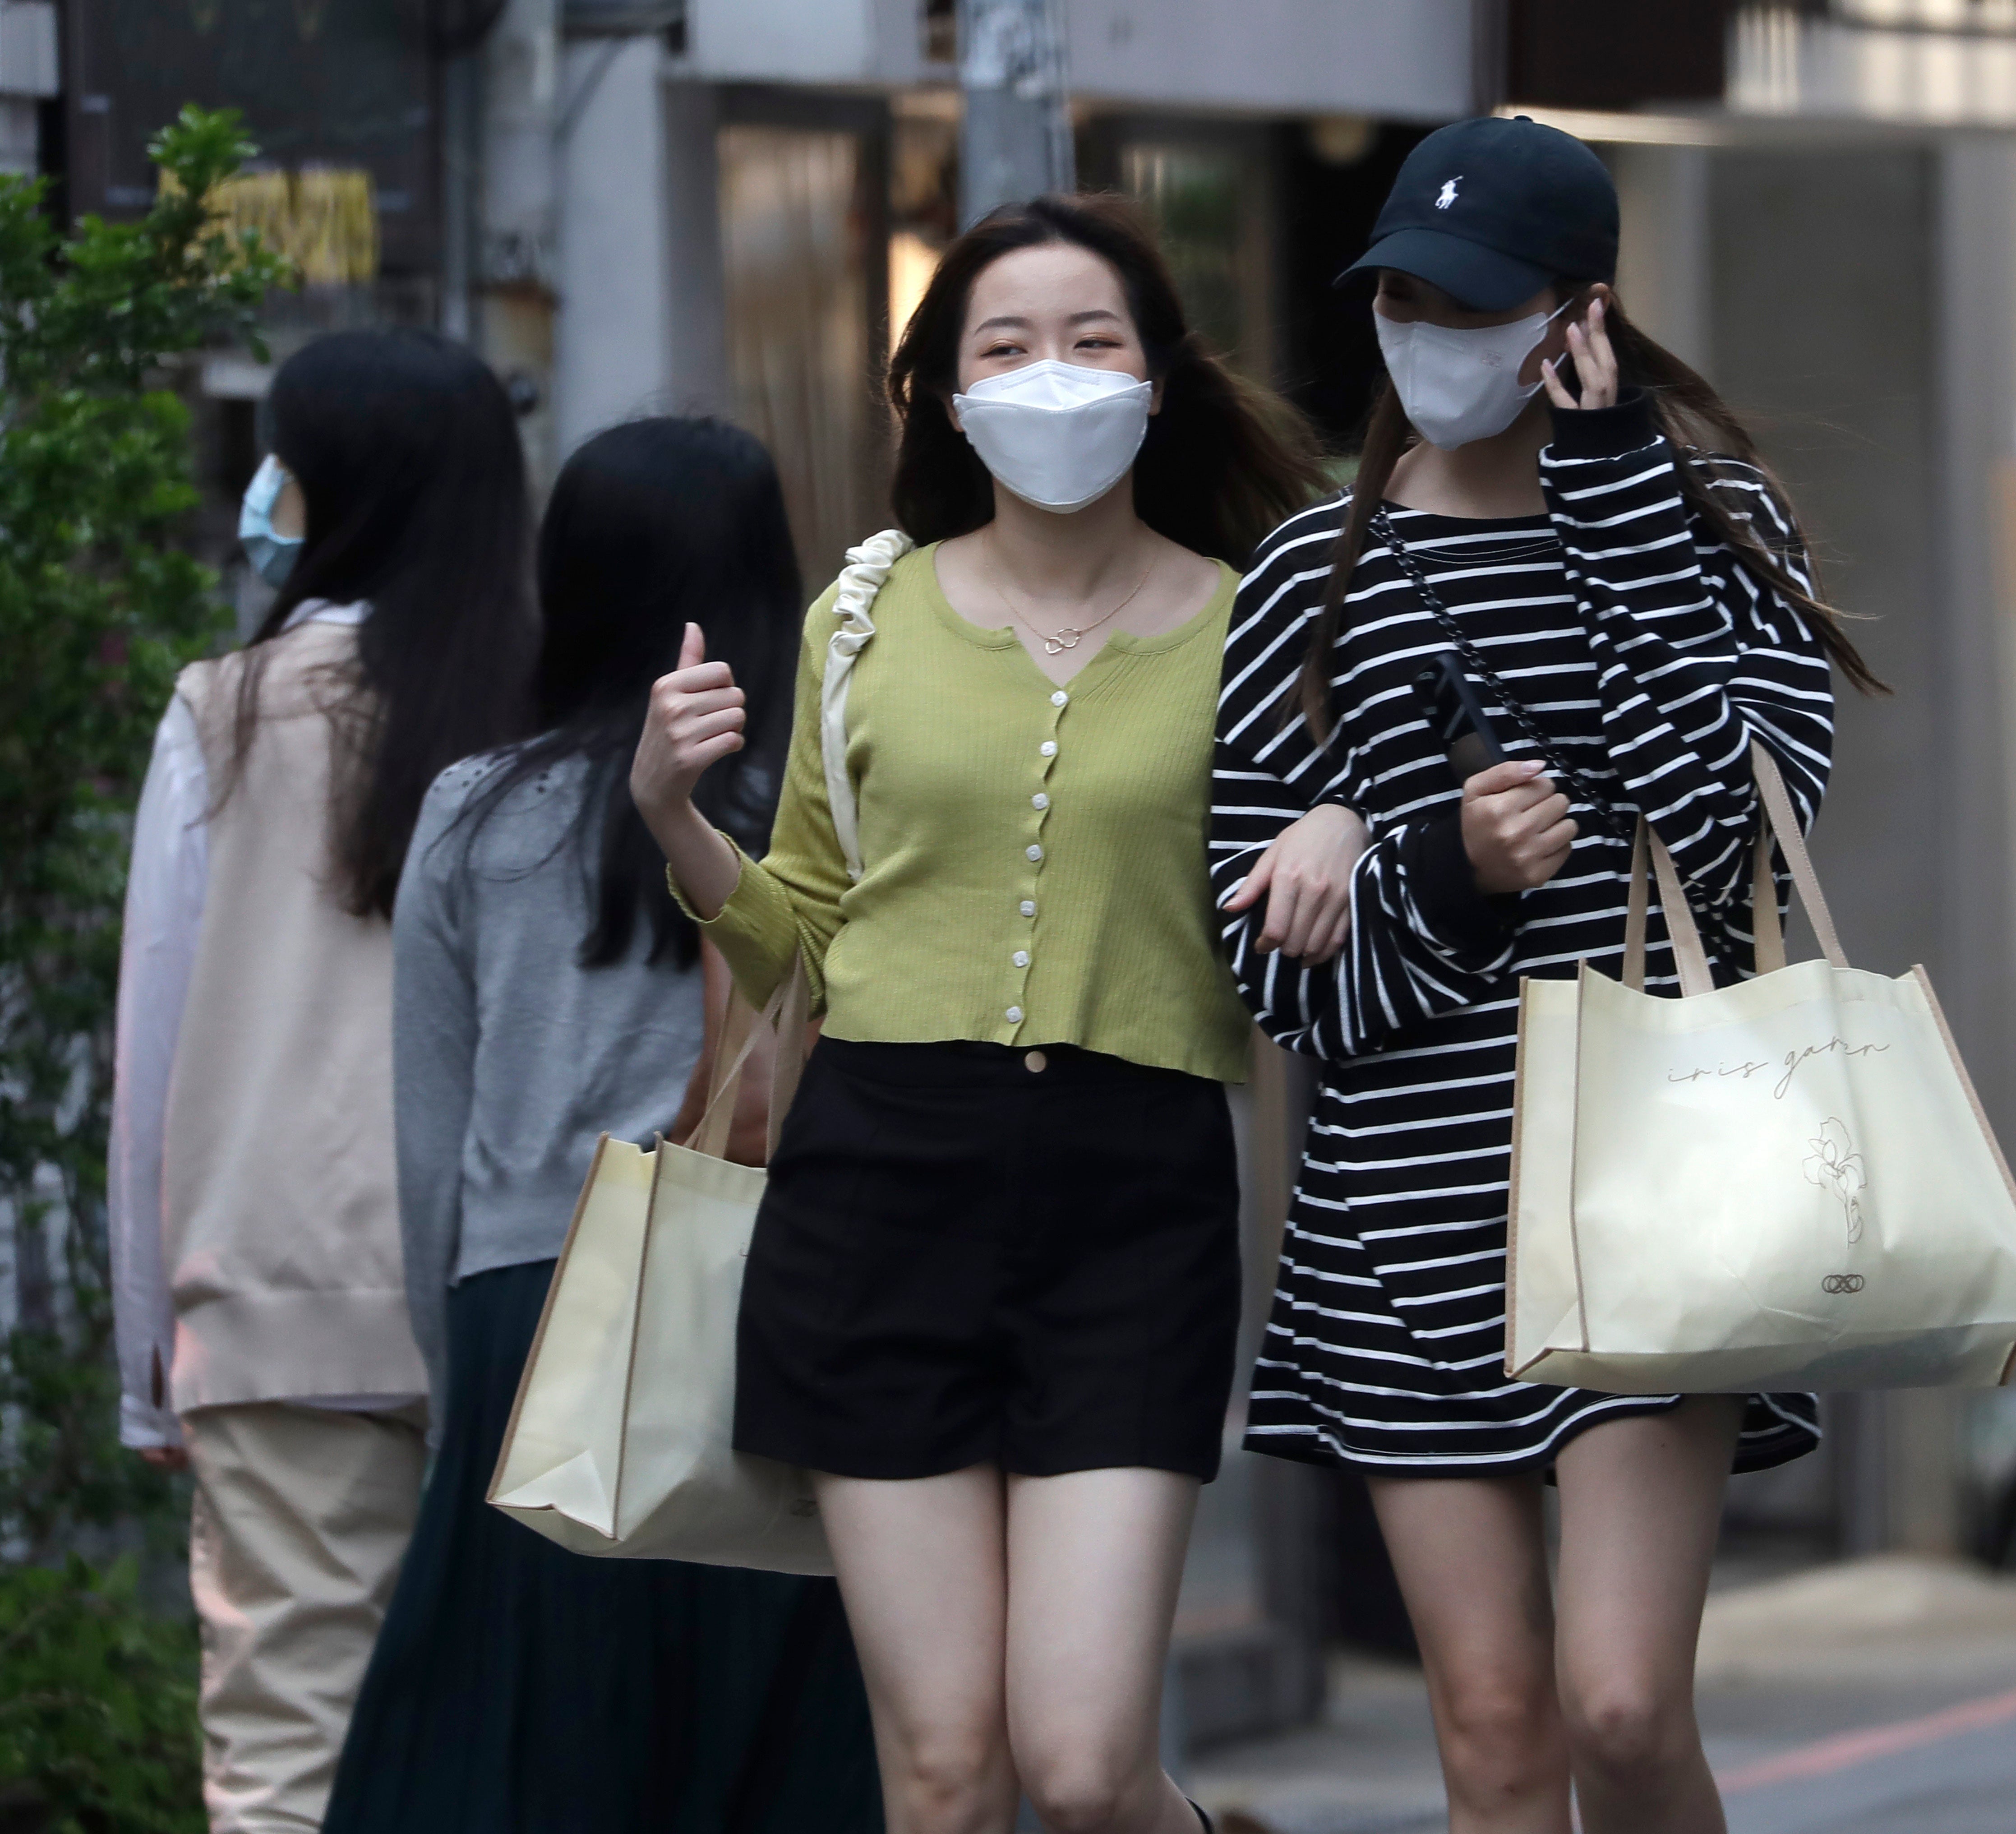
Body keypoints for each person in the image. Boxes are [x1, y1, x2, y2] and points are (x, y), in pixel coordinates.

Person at [632, 194, 1343, 1834]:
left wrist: (1345, 821)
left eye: (1093, 340)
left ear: (1157, 381)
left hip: (1136, 1187)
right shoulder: (864, 619)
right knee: (944, 1772)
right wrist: (675, 817)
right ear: (947, 396)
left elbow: (1354, 821)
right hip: (878, 1184)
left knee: (1088, 1769)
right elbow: (802, 929)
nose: (1053, 374)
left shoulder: (1261, 624)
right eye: (1006, 345)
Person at [1213, 117, 1876, 1834]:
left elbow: (1729, 826)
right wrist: (1440, 862)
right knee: (1498, 1730)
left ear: (1580, 313)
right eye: (1402, 296)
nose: (1429, 331)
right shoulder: (1312, 573)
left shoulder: (1718, 527)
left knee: (1624, 1705)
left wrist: (1614, 498)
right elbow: (1271, 981)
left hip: (1661, 1182)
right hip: (1405, 1212)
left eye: (1474, 301)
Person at [320, 418, 881, 1830]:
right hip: (772, 1310)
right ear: (772, 583)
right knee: (774, 1760)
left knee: (516, 1767)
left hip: (532, 1313)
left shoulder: (470, 814)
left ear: (568, 581)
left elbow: (429, 1132)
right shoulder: (819, 821)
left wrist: (458, 1393)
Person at [108, 328, 536, 1831]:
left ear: (328, 487)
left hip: (276, 1289)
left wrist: (145, 1340)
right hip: (521, 1301)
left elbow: (155, 1040)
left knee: (289, 1756)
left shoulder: (225, 710)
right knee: (516, 1748)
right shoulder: (555, 713)